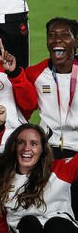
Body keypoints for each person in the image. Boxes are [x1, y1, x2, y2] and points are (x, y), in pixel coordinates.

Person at [25, 17, 78, 157]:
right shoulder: (34, 73)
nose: (57, 40)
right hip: (48, 148)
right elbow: (24, 106)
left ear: (76, 41)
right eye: (51, 35)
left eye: (65, 35)